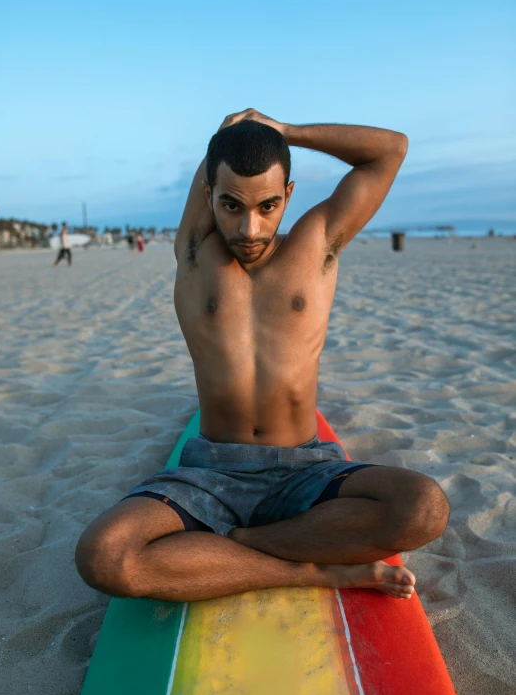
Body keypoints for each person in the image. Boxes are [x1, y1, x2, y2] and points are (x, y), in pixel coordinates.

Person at [76, 109, 450, 604]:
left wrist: (286, 132)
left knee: (423, 509)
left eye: (268, 206)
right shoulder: (195, 253)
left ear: (288, 196)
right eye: (231, 205)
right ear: (208, 195)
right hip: (211, 473)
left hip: (306, 469)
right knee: (104, 556)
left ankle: (238, 546)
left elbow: (391, 149)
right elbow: (216, 162)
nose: (250, 229)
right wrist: (231, 135)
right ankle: (311, 570)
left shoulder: (317, 245)